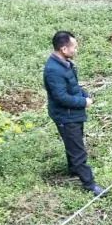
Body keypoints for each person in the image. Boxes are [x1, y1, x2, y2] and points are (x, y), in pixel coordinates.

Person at [43, 31, 105, 197]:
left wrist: (84, 94)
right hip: (66, 115)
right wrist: (83, 102)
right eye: (74, 47)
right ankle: (89, 184)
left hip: (72, 114)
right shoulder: (53, 70)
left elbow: (72, 86)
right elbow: (61, 97)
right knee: (78, 150)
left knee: (73, 142)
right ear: (64, 48)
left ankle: (73, 170)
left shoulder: (65, 63)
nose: (76, 50)